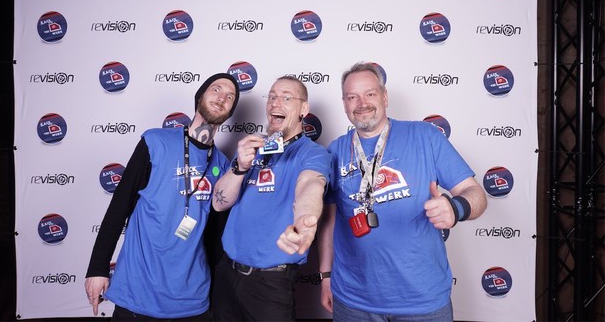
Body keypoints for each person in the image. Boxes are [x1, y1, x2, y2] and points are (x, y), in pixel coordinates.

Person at [317, 62, 487, 322]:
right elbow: (328, 221)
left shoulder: (425, 136)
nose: (362, 103)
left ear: (384, 97)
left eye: (370, 94)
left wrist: (456, 208)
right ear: (344, 104)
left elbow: (474, 192)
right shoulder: (336, 150)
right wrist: (326, 276)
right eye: (352, 97)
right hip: (353, 301)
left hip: (422, 302)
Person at [84, 73, 240, 321]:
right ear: (200, 96)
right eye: (216, 89)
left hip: (193, 299)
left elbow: (214, 238)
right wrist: (97, 268)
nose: (222, 98)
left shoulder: (222, 165)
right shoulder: (155, 142)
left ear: (230, 112)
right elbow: (119, 206)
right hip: (138, 292)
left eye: (230, 97)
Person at [211, 75, 330, 321]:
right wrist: (240, 167)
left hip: (270, 284)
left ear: (303, 109)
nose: (275, 103)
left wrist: (305, 219)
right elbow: (219, 203)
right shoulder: (251, 149)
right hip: (226, 275)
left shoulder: (312, 153)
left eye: (286, 98)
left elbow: (310, 184)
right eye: (272, 97)